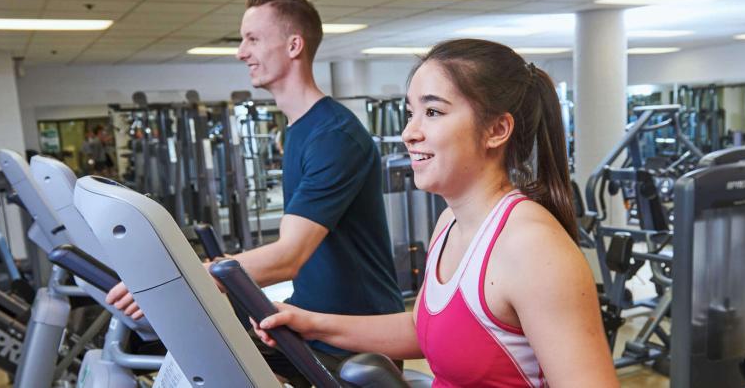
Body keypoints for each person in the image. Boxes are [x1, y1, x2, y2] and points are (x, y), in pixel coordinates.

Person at [254, 39, 620, 387]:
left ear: (497, 129)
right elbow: (426, 329)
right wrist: (310, 324)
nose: (409, 133)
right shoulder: (449, 223)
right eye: (411, 113)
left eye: (432, 112)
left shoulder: (531, 247)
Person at [106, 0, 404, 386]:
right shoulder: (299, 131)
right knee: (197, 360)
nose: (240, 52)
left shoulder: (333, 135)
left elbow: (288, 257)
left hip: (354, 339)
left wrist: (190, 276)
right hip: (310, 320)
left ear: (294, 45)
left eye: (253, 39)